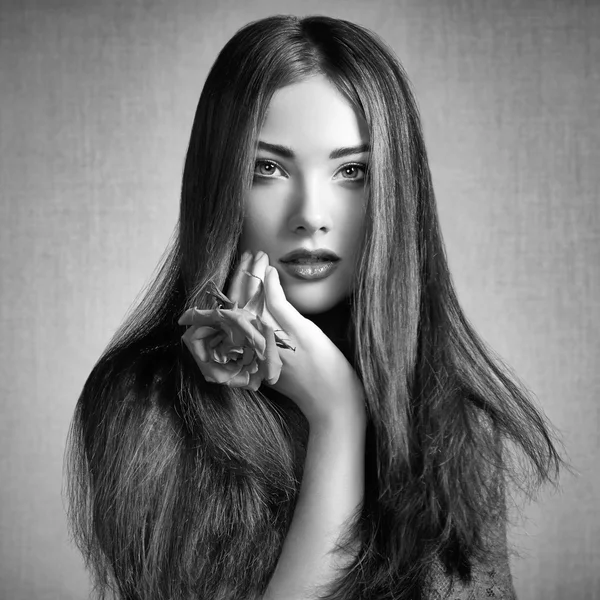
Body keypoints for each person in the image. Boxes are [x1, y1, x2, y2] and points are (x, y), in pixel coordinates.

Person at [66, 14, 563, 600]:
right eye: (268, 168)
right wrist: (337, 415)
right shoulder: (146, 404)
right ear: (218, 183)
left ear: (396, 191)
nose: (312, 214)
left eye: (352, 172)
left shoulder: (451, 417)